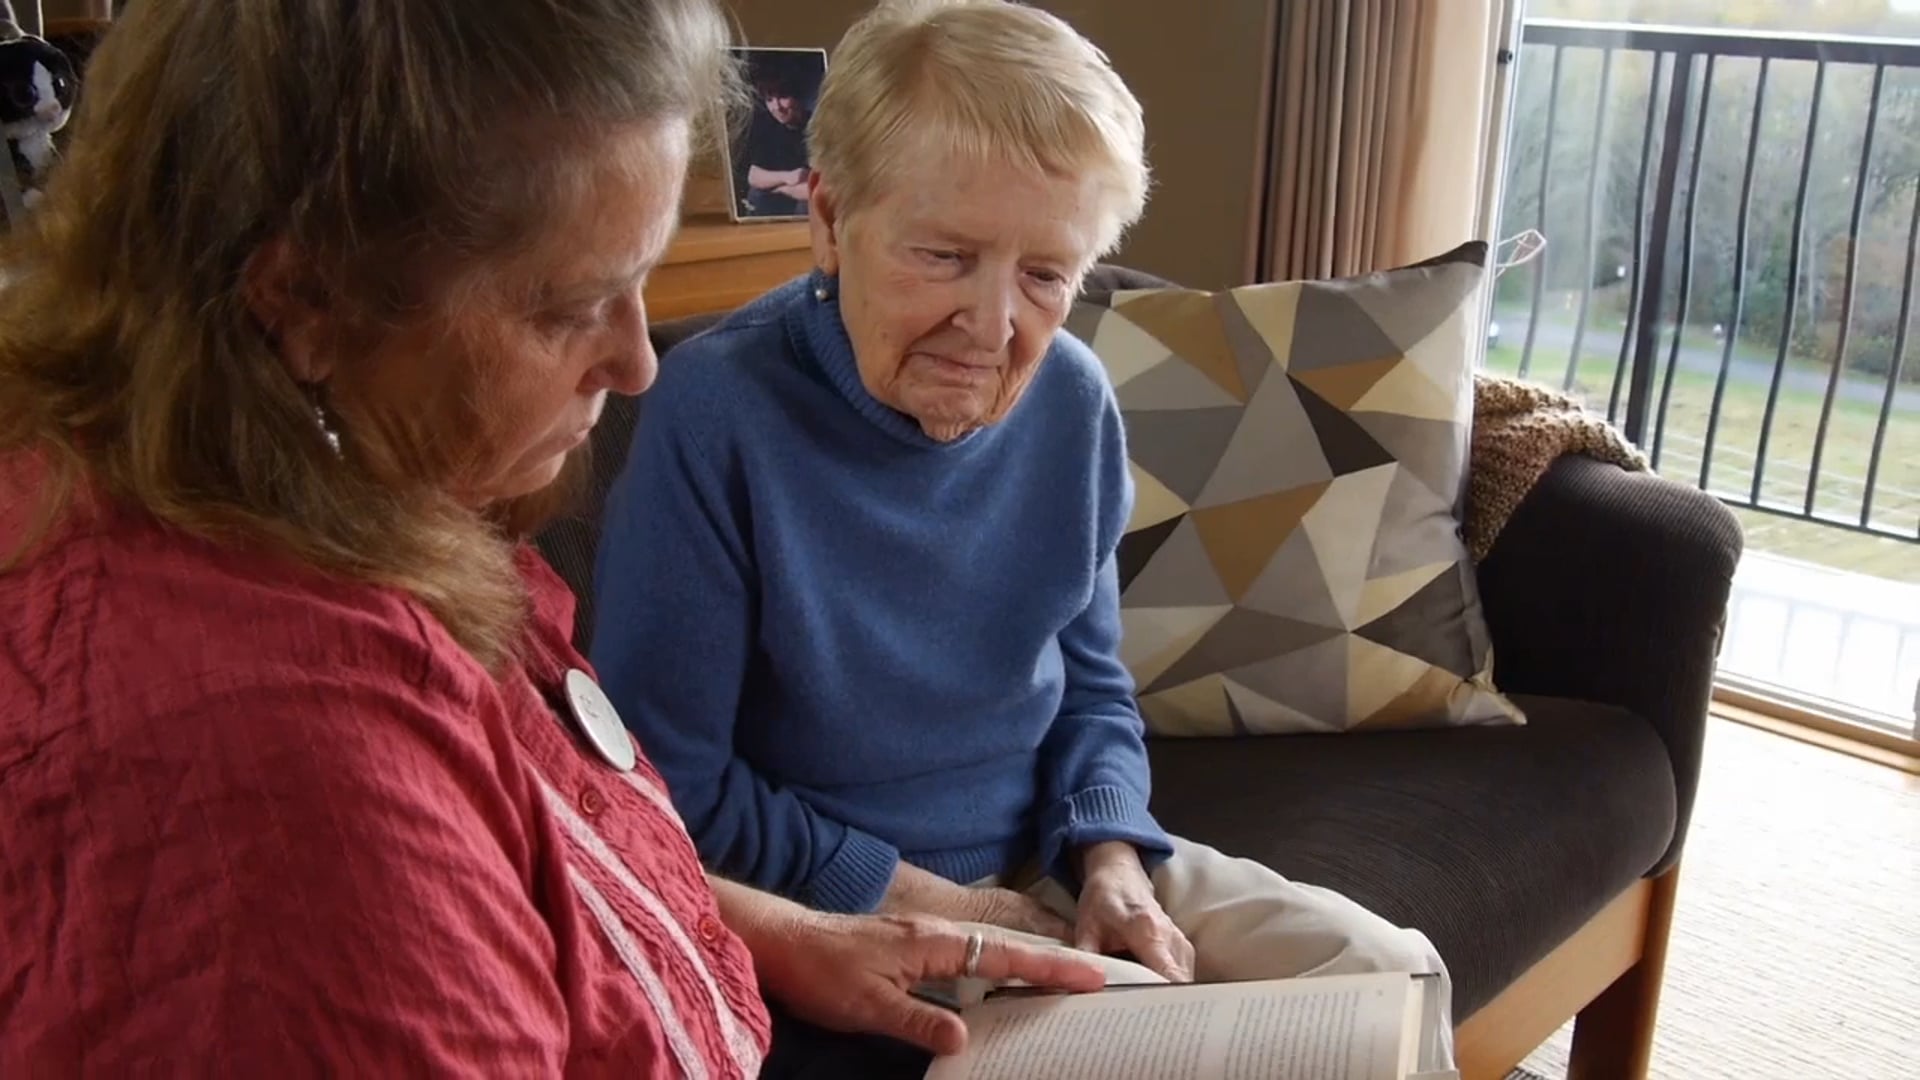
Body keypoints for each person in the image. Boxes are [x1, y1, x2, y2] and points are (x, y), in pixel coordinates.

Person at [0, 1, 1105, 1074]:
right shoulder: (274, 774)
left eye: (641, 287)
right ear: (307, 301)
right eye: (573, 306)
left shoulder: (337, 483)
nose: (637, 366)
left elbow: (534, 848)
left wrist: (767, 934)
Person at [591, 0, 1456, 1070]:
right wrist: (935, 901)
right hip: (840, 919)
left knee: (1386, 974)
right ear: (826, 218)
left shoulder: (1073, 402)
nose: (994, 326)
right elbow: (665, 784)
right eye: (945, 256)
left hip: (1050, 863)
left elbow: (1091, 684)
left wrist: (1112, 859)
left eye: (1045, 275)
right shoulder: (716, 414)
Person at [734, 56, 815, 217]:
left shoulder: (817, 126)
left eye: (783, 97)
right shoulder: (768, 128)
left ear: (797, 96)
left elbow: (817, 190)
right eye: (769, 99)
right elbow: (754, 176)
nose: (776, 107)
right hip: (782, 200)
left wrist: (778, 187)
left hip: (807, 206)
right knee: (756, 195)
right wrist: (789, 177)